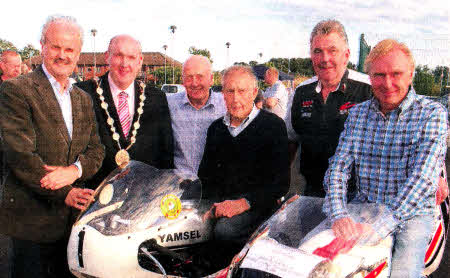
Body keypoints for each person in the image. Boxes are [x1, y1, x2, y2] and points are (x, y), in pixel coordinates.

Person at [323, 39, 448, 278]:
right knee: (314, 260)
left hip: (411, 215)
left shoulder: (433, 113)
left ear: (411, 74)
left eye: (396, 74)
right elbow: (338, 167)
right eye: (379, 75)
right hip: (363, 206)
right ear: (370, 77)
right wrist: (338, 213)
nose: (387, 83)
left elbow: (423, 180)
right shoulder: (358, 114)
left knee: (402, 274)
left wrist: (379, 226)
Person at [0, 15, 105, 278]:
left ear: (78, 54)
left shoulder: (82, 98)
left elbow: (96, 150)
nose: (62, 55)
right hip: (32, 223)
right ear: (42, 47)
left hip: (74, 225)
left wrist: (75, 171)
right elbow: (20, 154)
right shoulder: (16, 90)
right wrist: (66, 193)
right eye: (56, 47)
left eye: (69, 49)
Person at [198, 65, 289, 245]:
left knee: (224, 231)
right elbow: (206, 176)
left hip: (257, 206)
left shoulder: (273, 126)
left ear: (255, 92)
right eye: (230, 91)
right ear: (222, 93)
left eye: (242, 91)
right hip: (221, 204)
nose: (235, 98)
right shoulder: (216, 129)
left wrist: (243, 203)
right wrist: (205, 207)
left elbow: (280, 184)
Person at [285, 20, 372, 197]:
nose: (325, 59)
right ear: (311, 55)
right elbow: (290, 140)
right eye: (318, 51)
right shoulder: (301, 92)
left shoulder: (369, 88)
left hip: (360, 196)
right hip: (313, 193)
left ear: (346, 55)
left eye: (333, 51)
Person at [76, 34, 173, 187]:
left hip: (142, 198)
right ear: (107, 57)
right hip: (94, 198)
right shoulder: (82, 94)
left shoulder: (157, 98)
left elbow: (166, 156)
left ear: (140, 61)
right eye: (118, 55)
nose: (124, 63)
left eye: (131, 57)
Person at [166, 55, 226, 178]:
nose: (194, 83)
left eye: (200, 76)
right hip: (179, 188)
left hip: (216, 187)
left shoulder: (227, 106)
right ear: (182, 80)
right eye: (189, 77)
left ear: (211, 79)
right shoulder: (168, 104)